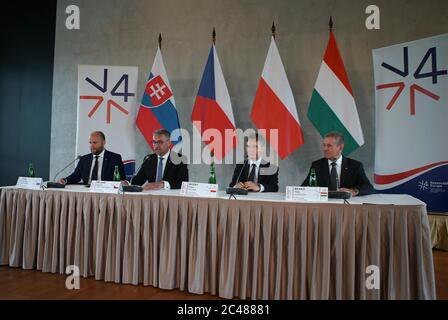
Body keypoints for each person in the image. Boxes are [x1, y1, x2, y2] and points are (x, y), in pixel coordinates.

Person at [302, 131, 373, 196]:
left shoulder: (355, 166)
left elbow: (368, 187)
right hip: (325, 205)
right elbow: (304, 187)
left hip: (347, 205)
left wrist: (353, 191)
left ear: (340, 147)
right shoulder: (317, 165)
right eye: (324, 145)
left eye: (329, 146)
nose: (325, 149)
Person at [59, 131, 126, 185]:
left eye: (95, 143)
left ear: (103, 143)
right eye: (90, 142)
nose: (92, 146)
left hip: (106, 193)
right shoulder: (84, 159)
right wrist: (65, 180)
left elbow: (122, 179)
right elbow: (76, 176)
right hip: (86, 193)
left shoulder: (115, 158)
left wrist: (123, 182)